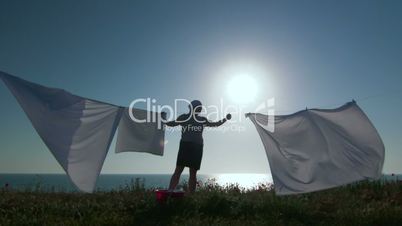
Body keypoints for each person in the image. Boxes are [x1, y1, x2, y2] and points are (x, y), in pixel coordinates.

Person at [165, 100, 231, 193]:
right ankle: (170, 192)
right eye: (196, 108)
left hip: (196, 147)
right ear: (191, 108)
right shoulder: (183, 117)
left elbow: (215, 124)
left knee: (192, 172)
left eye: (199, 108)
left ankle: (189, 195)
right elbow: (172, 123)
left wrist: (225, 119)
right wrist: (163, 120)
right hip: (186, 145)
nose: (197, 110)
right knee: (179, 170)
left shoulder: (201, 119)